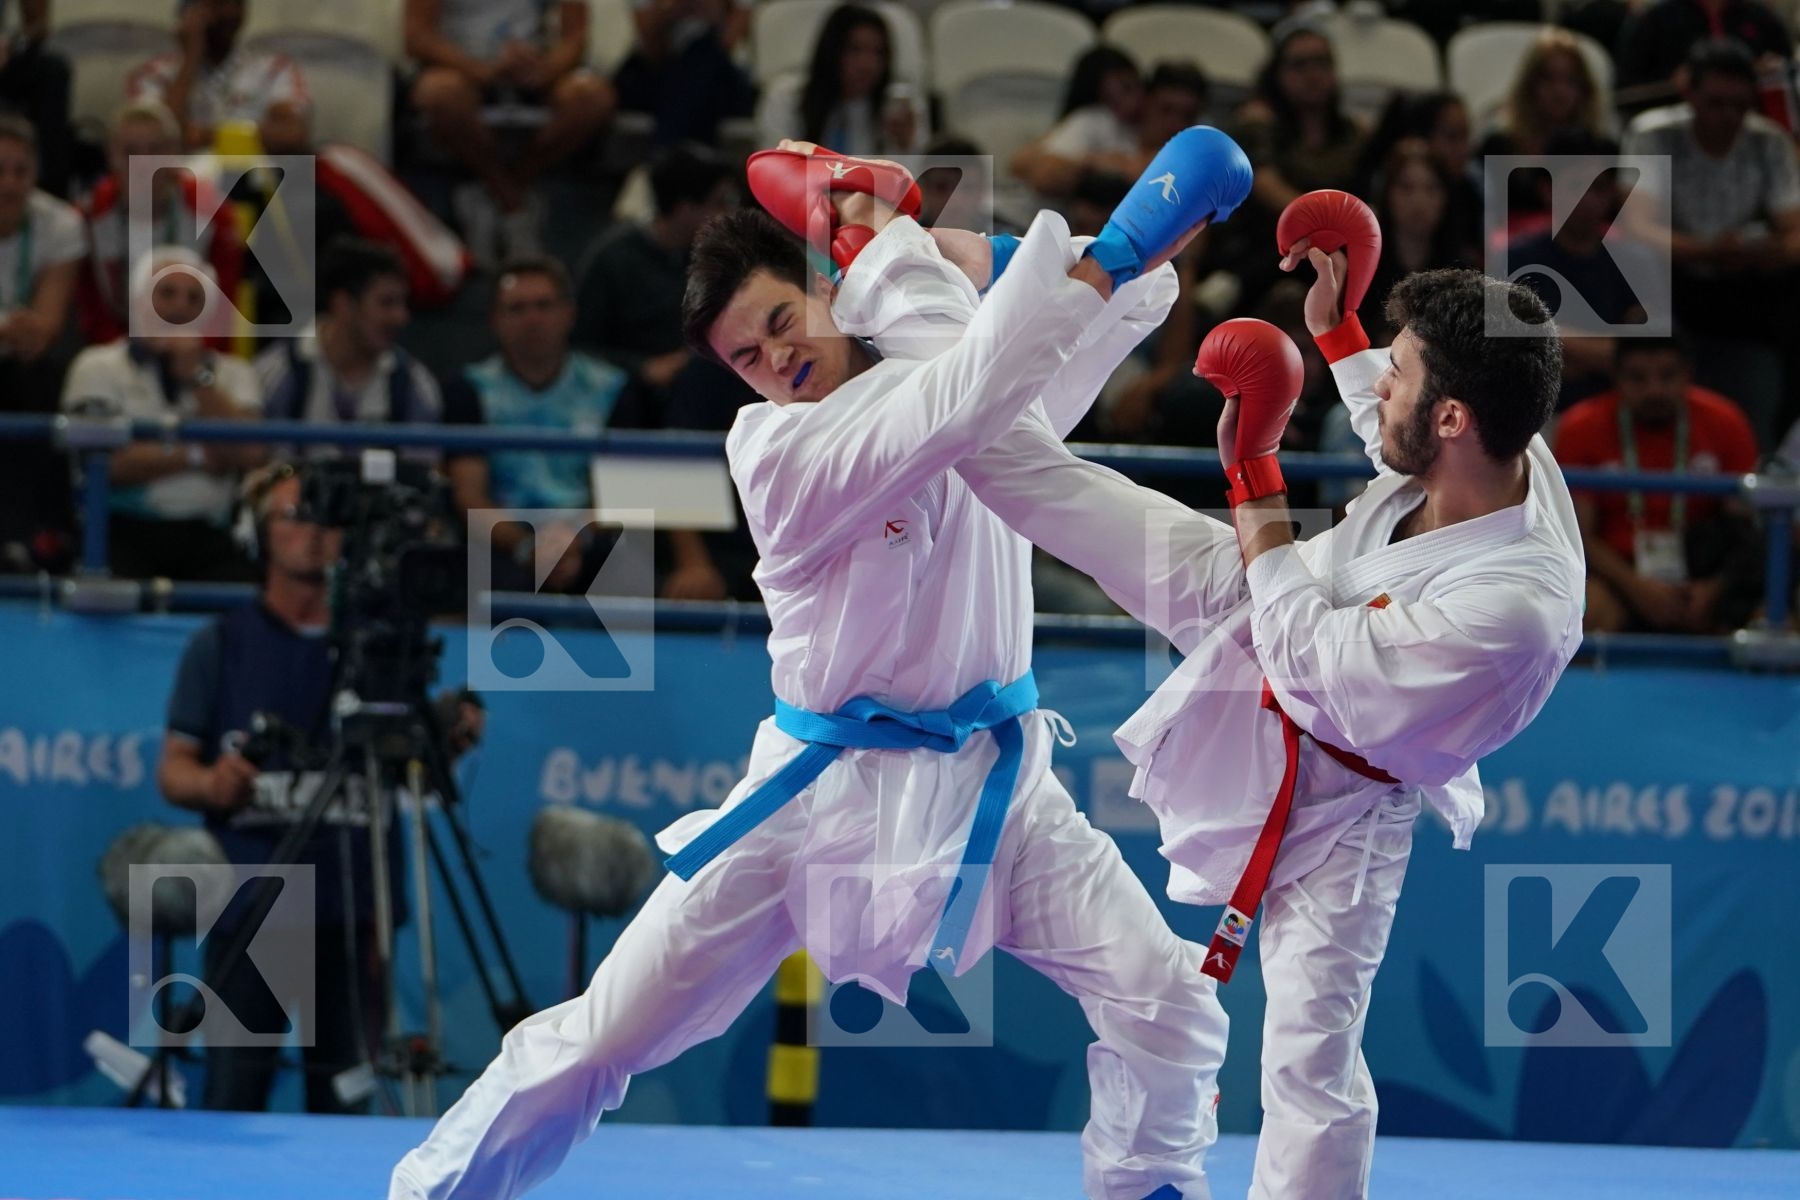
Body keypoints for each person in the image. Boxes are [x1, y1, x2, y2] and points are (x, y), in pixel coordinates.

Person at [391, 129, 1253, 1200]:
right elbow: (974, 387)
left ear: (831, 294)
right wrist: (911, 241)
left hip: (1001, 789)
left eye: (782, 323)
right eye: (746, 359)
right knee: (607, 1031)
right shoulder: (779, 454)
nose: (775, 363)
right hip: (813, 801)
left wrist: (963, 244)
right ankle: (431, 1192)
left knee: (1167, 998)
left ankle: (1151, 1186)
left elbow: (1076, 327)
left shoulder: (983, 377)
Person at [951, 199, 1584, 1198]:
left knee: (1308, 1059)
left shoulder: (1512, 614)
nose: (1381, 391)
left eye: (1401, 371)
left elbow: (1303, 655)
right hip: (1277, 583)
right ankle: (935, 315)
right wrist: (1341, 328)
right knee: (1037, 481)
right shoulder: (1504, 441)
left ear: (1456, 414)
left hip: (1345, 792)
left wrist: (1253, 470)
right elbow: (1405, 434)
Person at [159, 462, 483, 1113]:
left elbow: (414, 782)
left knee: (344, 1100)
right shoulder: (219, 644)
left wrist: (442, 740)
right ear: (258, 534)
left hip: (357, 904)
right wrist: (213, 785)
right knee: (233, 1095)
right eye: (294, 516)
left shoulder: (382, 649)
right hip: (252, 903)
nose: (313, 534)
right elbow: (174, 769)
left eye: (326, 520)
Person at [1621, 38, 1800, 450]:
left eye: (1740, 105)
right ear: (1690, 93)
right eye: (1716, 103)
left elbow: (1793, 237)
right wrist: (1710, 250)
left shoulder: (1768, 141)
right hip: (1668, 288)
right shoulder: (1653, 134)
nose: (1728, 117)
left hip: (1746, 291)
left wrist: (1756, 250)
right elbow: (1638, 228)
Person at [61, 247, 265, 581]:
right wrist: (199, 454)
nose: (179, 307)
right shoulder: (97, 365)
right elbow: (105, 463)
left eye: (194, 298)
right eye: (166, 293)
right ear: (138, 300)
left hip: (209, 535)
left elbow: (251, 452)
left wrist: (199, 379)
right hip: (120, 531)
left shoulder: (235, 373)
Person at [444, 257, 642, 594]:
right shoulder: (470, 389)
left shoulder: (613, 387)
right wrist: (526, 548)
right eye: (517, 308)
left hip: (589, 538)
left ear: (569, 313)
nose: (532, 319)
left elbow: (620, 491)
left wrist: (570, 539)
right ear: (495, 320)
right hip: (502, 541)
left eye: (544, 306)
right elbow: (469, 495)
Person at [1554, 334, 1763, 633]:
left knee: (1765, 617)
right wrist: (1638, 588)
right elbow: (1579, 535)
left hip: (1701, 577)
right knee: (1585, 613)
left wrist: (1714, 590)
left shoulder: (1726, 422)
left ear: (1688, 373)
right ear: (1616, 377)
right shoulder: (1580, 427)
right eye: (1638, 378)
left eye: (1667, 376)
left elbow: (1746, 532)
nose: (1654, 390)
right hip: (1618, 577)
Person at [404, 0, 614, 263]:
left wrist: (546, 68)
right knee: (440, 95)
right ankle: (516, 205)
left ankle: (500, 190)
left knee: (592, 98)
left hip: (533, 69)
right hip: (460, 68)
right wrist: (479, 69)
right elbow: (416, 37)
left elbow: (575, 36)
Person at [255, 239, 443, 459]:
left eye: (403, 304)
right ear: (343, 304)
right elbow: (258, 467)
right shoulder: (278, 371)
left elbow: (422, 472)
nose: (401, 317)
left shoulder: (413, 384)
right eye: (386, 303)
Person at [78, 101, 245, 347]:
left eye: (155, 150)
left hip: (192, 348)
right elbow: (93, 312)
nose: (143, 163)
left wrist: (191, 353)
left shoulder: (214, 215)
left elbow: (222, 310)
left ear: (174, 153)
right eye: (131, 151)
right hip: (115, 354)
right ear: (110, 155)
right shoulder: (88, 217)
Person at [1507, 130, 1652, 412]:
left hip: (1622, 414)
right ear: (1546, 189)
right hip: (1537, 416)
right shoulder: (1515, 259)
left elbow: (1646, 357)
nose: (1588, 200)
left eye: (1599, 188)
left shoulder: (1636, 262)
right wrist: (1609, 349)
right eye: (1576, 186)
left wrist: (1551, 337)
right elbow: (1516, 354)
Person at [1226, 21, 1366, 308]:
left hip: (1339, 249)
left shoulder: (1352, 133)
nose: (1313, 74)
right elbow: (1264, 184)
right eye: (1300, 65)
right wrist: (1323, 224)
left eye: (1322, 63)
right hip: (1272, 250)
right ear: (1278, 73)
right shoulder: (1259, 124)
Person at [0, 112, 83, 571]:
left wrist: (20, 331)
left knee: (43, 382)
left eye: (21, 172)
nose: (9, 185)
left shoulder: (60, 222)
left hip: (27, 366)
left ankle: (39, 536)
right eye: (0, 170)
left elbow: (45, 327)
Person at [1477, 29, 1611, 239]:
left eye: (1569, 80)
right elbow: (1486, 219)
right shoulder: (1500, 145)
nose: (1559, 90)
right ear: (1530, 85)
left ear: (1584, 88)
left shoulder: (1602, 148)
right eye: (1549, 79)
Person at [126, 0, 308, 151]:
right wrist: (191, 58)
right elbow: (156, 142)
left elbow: (293, 135)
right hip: (179, 183)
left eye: (238, 3)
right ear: (188, 12)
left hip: (251, 181)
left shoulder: (273, 68)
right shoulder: (152, 74)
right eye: (218, 4)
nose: (230, 12)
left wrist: (204, 136)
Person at [756, 3, 926, 157]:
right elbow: (774, 170)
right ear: (832, 50)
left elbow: (911, 184)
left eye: (878, 53)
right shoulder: (786, 97)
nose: (867, 65)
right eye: (855, 50)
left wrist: (906, 146)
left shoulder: (897, 108)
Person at [1358, 141, 1476, 344]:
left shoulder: (1463, 272)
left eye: (1432, 188)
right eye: (1406, 187)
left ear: (1446, 197)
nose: (1419, 201)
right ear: (1386, 193)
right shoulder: (1360, 267)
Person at [613, 0, 756, 147]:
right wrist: (667, 12)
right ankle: (682, 155)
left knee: (702, 63)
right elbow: (653, 51)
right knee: (688, 81)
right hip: (659, 73)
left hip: (719, 74)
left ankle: (662, 154)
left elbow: (726, 45)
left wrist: (710, 10)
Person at [1011, 45, 1143, 200]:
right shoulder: (1092, 120)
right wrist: (1093, 163)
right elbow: (1028, 171)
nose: (1129, 104)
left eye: (1128, 88)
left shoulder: (1158, 121)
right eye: (1109, 99)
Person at [1616, 0, 1793, 116]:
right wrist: (1673, 84)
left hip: (1750, 129)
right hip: (1677, 134)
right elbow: (1626, 91)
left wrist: (1774, 73)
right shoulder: (1655, 20)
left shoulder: (1761, 18)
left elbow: (1789, 71)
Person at [0, 0, 70, 197]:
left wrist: (16, 44)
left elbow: (38, 27)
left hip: (12, 60)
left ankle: (49, 189)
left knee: (54, 71)